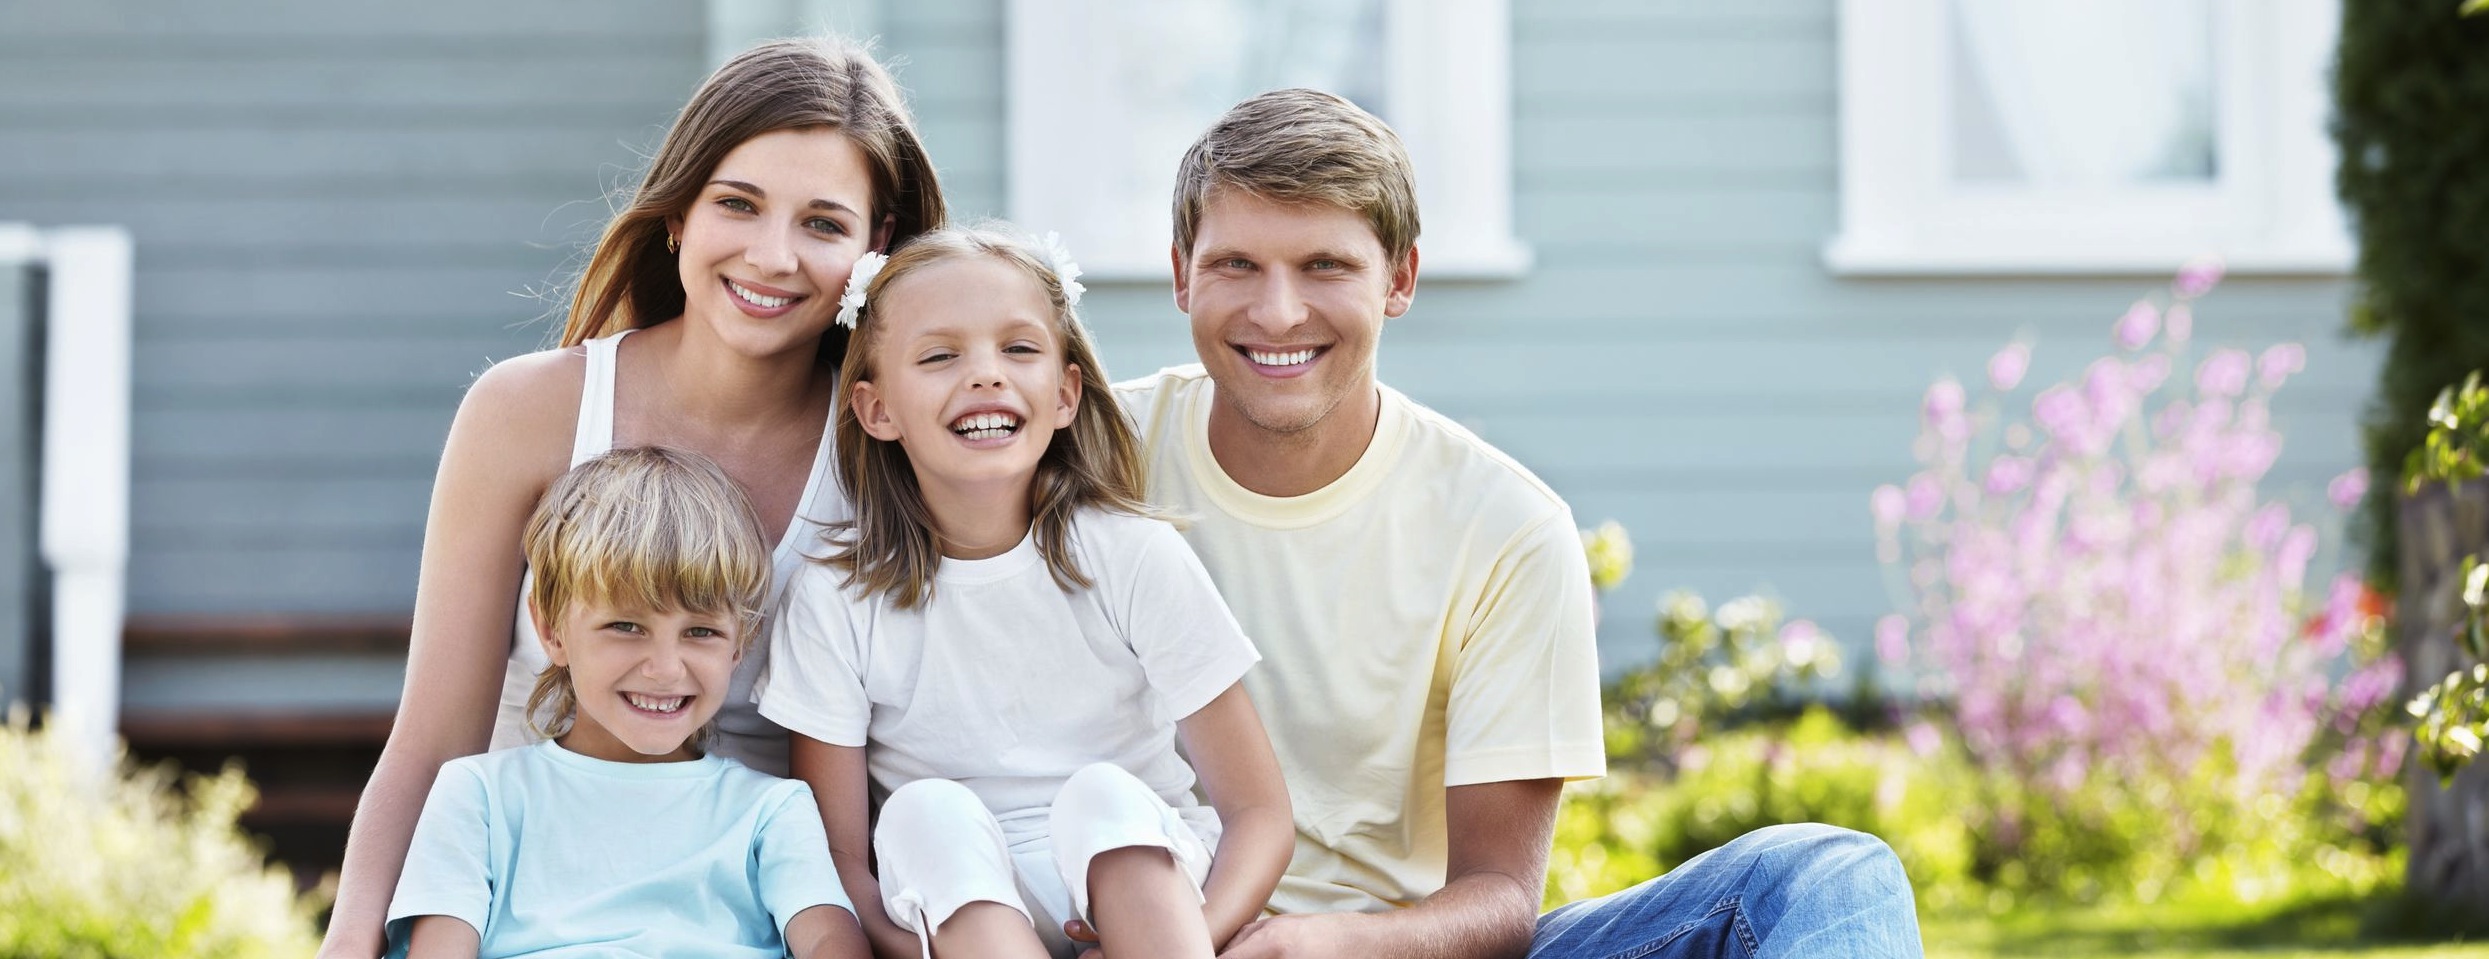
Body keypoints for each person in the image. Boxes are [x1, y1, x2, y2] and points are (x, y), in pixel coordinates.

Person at [1106, 89, 1926, 958]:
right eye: (1236, 264)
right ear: (1179, 272)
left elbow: (1498, 898)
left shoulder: (1505, 527)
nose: (1276, 313)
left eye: (1324, 265)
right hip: (1142, 936)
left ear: (1400, 278)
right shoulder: (1088, 461)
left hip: (1387, 950)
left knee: (1831, 873)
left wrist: (1327, 943)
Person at [319, 36, 949, 959]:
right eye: (737, 204)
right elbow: (431, 740)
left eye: (822, 223)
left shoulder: (894, 442)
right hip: (531, 908)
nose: (773, 256)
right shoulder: (527, 412)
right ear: (677, 217)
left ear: (875, 247)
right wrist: (348, 944)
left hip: (764, 911)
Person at [756, 226, 1293, 959]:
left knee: (1100, 797)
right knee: (924, 811)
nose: (985, 376)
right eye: (940, 355)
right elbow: (841, 860)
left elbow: (1259, 814)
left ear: (1066, 392)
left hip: (1149, 899)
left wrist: (1199, 933)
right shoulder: (835, 597)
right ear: (877, 409)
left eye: (1018, 348)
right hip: (959, 910)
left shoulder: (1131, 554)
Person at [388, 447, 867, 959]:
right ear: (551, 629)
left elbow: (827, 940)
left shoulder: (772, 812)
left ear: (741, 643)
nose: (665, 668)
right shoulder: (478, 797)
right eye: (626, 626)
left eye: (700, 631)